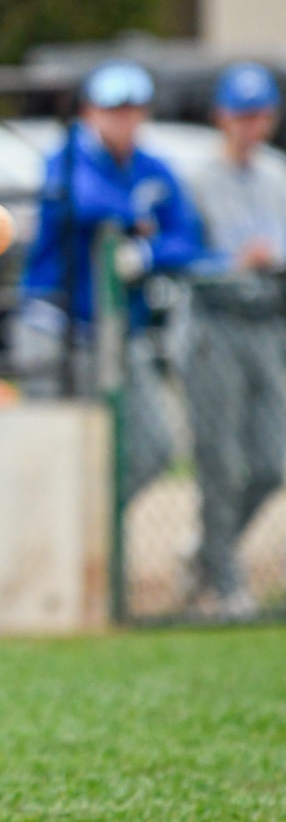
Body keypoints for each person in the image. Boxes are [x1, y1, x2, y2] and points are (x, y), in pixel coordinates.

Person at [16, 60, 203, 503]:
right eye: (112, 108)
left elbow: (188, 240)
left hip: (119, 331)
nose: (123, 118)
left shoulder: (153, 168)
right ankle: (63, 549)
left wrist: (145, 252)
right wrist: (136, 218)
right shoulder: (64, 159)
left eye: (133, 108)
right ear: (89, 112)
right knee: (56, 452)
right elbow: (84, 203)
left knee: (155, 446)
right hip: (56, 327)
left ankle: (96, 532)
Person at [181, 63, 286, 618]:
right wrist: (229, 264)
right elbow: (177, 253)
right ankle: (223, 580)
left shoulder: (278, 177)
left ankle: (202, 553)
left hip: (267, 323)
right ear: (223, 117)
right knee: (218, 461)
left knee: (273, 463)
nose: (253, 126)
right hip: (214, 323)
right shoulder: (196, 179)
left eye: (261, 115)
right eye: (242, 115)